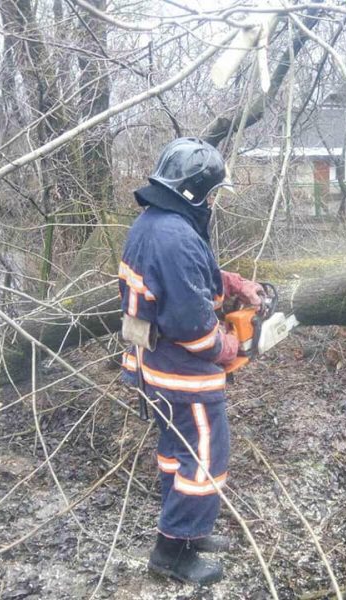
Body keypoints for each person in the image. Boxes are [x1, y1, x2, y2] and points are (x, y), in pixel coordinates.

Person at [117, 137, 262, 586]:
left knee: (175, 451)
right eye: (213, 193)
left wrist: (232, 281)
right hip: (179, 370)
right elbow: (193, 327)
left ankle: (187, 531)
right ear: (195, 191)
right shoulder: (176, 236)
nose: (214, 201)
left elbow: (185, 278)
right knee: (204, 458)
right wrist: (229, 347)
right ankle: (170, 552)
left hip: (150, 359)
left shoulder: (156, 223)